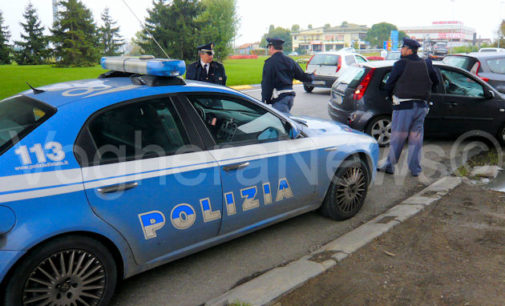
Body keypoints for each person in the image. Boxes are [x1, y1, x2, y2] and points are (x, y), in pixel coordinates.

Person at [379, 37, 439, 177]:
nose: (401, 50)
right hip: (422, 106)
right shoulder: (427, 63)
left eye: (403, 48)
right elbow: (435, 82)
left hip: (404, 106)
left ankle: (389, 165)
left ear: (408, 50)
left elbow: (389, 85)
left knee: (398, 137)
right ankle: (415, 169)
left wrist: (390, 97)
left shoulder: (401, 64)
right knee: (416, 139)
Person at [261, 37, 314, 114]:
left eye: (269, 48)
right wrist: (312, 76)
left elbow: (267, 83)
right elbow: (301, 76)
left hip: (280, 98)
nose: (269, 50)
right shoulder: (290, 61)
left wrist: (265, 100)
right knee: (285, 120)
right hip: (290, 97)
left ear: (272, 47)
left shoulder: (270, 63)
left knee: (282, 123)